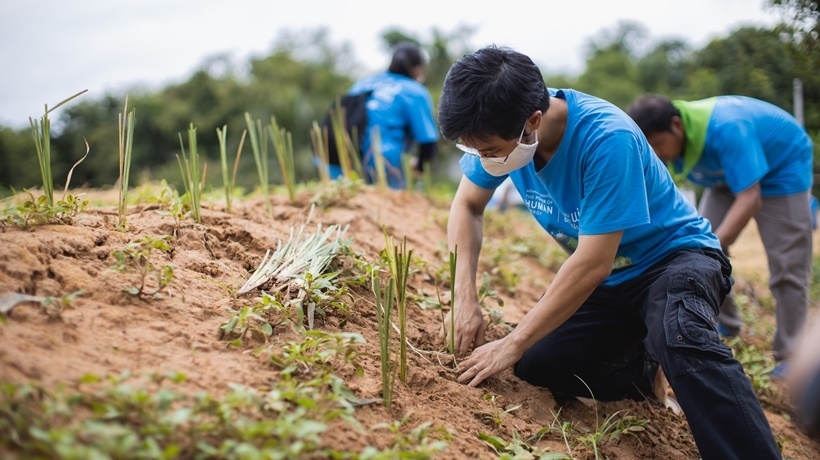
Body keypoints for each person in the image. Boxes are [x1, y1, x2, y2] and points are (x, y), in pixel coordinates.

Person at [439, 45, 780, 459]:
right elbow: (467, 205)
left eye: (491, 151)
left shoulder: (606, 138)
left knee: (679, 334)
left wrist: (512, 341)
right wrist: (464, 299)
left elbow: (593, 261)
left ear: (533, 122)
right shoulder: (499, 131)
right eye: (477, 152)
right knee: (539, 365)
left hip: (675, 258)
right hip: (616, 277)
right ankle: (643, 369)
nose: (485, 161)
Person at [626, 94, 814, 378]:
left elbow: (750, 199)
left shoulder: (728, 128)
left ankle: (791, 352)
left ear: (676, 125)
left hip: (782, 169)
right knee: (694, 249)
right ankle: (727, 323)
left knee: (787, 266)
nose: (659, 153)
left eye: (660, 145)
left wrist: (713, 243)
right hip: (724, 177)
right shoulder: (682, 140)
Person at [328, 41, 439, 189]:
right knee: (389, 204)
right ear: (418, 69)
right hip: (383, 161)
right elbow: (428, 141)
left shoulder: (364, 82)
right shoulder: (414, 91)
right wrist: (419, 167)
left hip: (341, 155)